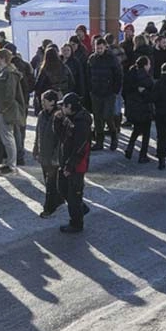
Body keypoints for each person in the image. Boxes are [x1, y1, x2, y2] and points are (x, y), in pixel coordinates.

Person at [55, 93, 92, 234]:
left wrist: (70, 166)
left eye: (63, 105)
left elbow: (80, 148)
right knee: (63, 188)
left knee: (74, 194)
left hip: (77, 165)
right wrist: (57, 121)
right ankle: (81, 208)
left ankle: (76, 223)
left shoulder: (81, 123)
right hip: (66, 160)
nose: (61, 108)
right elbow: (61, 137)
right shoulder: (69, 118)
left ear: (70, 106)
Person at [0, 49, 25, 175]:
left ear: (2, 58)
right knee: (6, 137)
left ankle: (11, 165)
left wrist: (3, 108)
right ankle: (9, 162)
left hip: (5, 110)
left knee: (8, 137)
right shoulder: (4, 71)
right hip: (2, 109)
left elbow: (9, 93)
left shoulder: (9, 73)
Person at [87, 37, 124, 151]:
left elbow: (118, 74)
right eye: (97, 48)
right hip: (96, 92)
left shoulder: (111, 59)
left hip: (109, 92)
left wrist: (115, 90)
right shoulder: (92, 59)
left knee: (108, 116)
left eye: (100, 48)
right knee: (97, 117)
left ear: (105, 47)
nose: (98, 50)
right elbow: (88, 74)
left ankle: (114, 136)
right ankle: (99, 142)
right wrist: (90, 88)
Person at [34, 89, 64, 218]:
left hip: (53, 156)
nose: (42, 103)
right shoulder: (42, 114)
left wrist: (56, 157)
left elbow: (60, 140)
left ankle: (49, 207)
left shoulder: (58, 116)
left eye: (44, 101)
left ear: (52, 101)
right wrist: (36, 148)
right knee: (48, 181)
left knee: (50, 183)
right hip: (43, 154)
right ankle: (58, 199)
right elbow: (38, 133)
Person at [123, 56, 154, 162]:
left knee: (136, 130)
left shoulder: (131, 74)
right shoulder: (146, 78)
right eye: (149, 64)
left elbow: (125, 90)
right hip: (145, 109)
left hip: (133, 108)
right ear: (145, 65)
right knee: (146, 133)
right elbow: (151, 95)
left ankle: (130, 147)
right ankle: (143, 155)